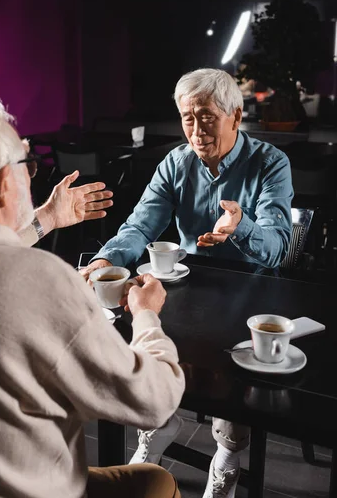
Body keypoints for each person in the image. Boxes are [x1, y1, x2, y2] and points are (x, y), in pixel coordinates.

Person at [0, 97, 185, 498]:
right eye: (26, 163)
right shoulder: (40, 277)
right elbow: (155, 401)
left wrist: (46, 219)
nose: (31, 174)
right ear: (4, 185)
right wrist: (146, 316)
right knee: (157, 482)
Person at [81, 68, 293, 498]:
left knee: (233, 376)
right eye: (187, 118)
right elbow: (140, 226)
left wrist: (241, 227)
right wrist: (106, 258)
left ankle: (228, 454)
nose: (196, 130)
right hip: (185, 290)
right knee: (139, 339)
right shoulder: (175, 163)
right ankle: (159, 420)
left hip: (248, 295)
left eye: (206, 117)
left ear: (235, 115)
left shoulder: (270, 162)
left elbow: (278, 250)